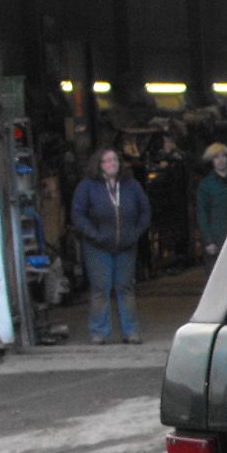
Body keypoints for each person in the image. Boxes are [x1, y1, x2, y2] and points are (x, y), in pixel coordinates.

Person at [69, 145, 150, 345]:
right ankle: (99, 332)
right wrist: (94, 235)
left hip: (126, 245)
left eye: (114, 160)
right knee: (100, 289)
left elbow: (145, 211)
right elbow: (78, 214)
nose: (111, 164)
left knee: (126, 288)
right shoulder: (87, 186)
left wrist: (135, 234)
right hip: (97, 247)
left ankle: (131, 332)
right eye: (106, 161)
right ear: (99, 165)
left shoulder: (131, 185)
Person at [194, 142, 227, 260]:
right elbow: (202, 214)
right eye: (216, 157)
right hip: (216, 241)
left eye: (223, 156)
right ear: (211, 161)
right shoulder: (205, 186)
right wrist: (208, 241)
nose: (220, 160)